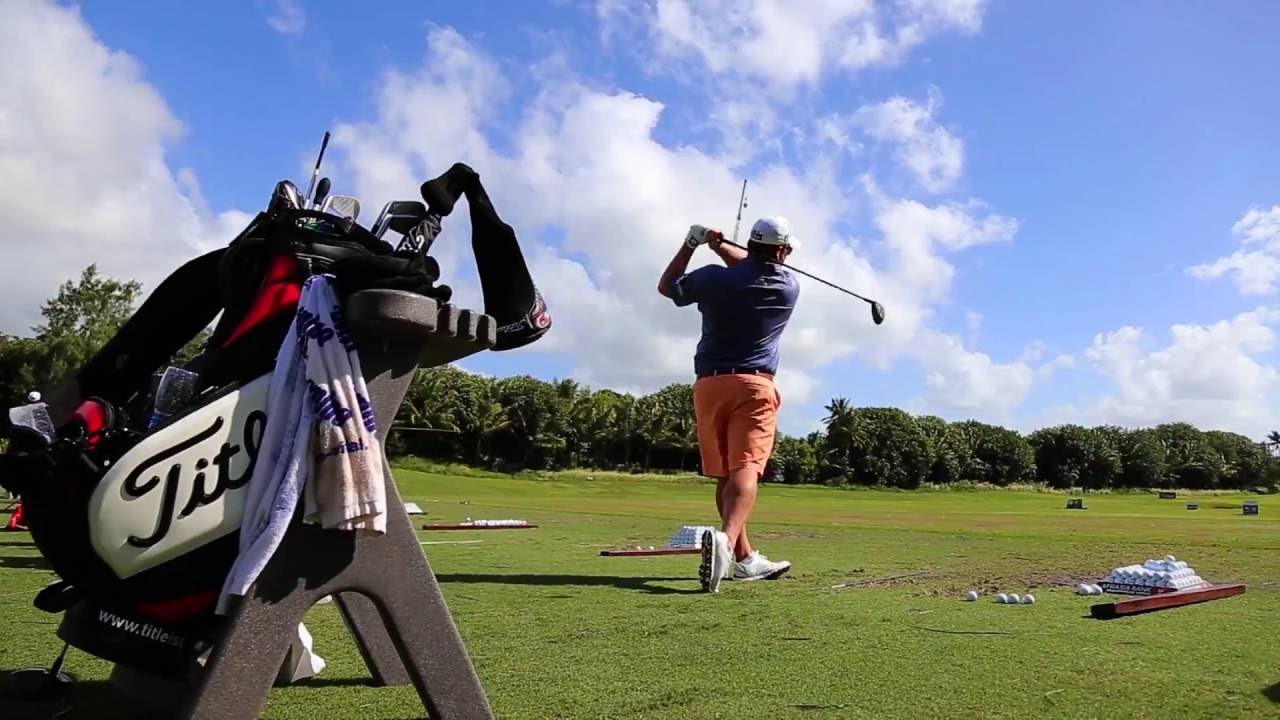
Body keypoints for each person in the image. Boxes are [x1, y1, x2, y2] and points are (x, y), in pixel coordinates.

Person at [657, 216, 800, 593]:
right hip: (753, 385)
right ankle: (725, 540)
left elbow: (667, 287)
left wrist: (695, 242)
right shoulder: (786, 285)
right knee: (747, 468)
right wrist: (720, 246)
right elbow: (749, 268)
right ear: (783, 251)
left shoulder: (712, 278)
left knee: (726, 474)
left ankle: (745, 559)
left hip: (709, 385)